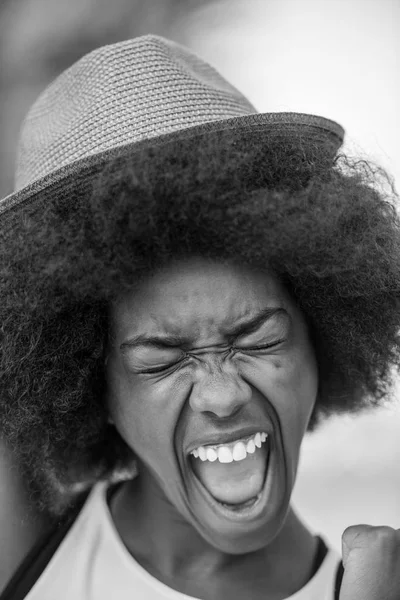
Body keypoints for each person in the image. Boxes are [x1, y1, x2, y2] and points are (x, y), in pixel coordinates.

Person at [0, 34, 399, 600]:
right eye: (162, 361)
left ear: (320, 338)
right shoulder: (22, 553)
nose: (221, 396)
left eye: (258, 340)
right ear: (96, 388)